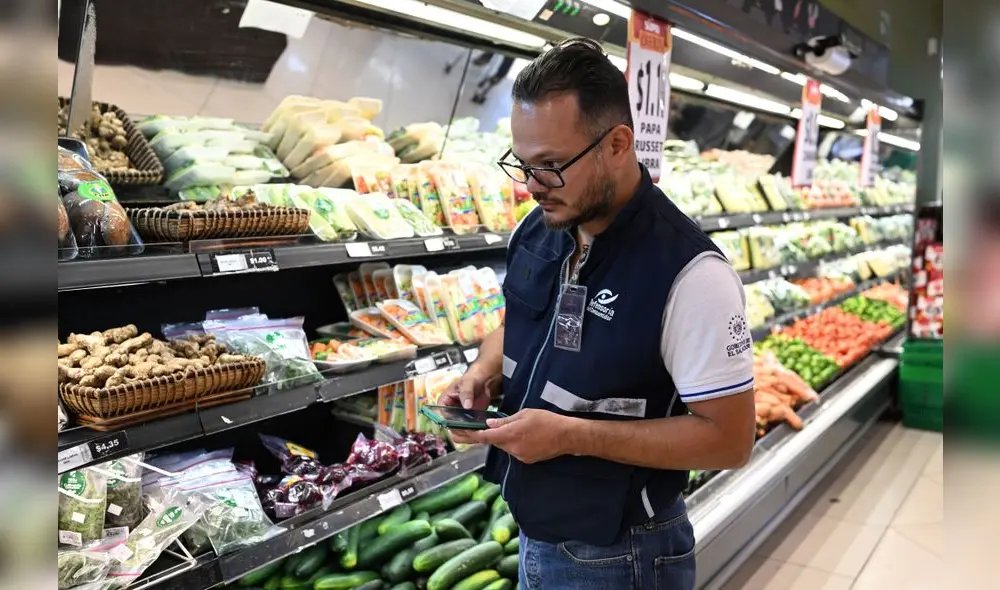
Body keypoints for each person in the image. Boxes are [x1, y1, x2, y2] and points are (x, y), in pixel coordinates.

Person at [440, 38, 756, 589]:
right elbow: (521, 320)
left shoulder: (690, 274)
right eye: (523, 163)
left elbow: (729, 440)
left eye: (552, 165)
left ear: (617, 144)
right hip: (535, 526)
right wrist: (482, 371)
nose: (532, 187)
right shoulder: (541, 229)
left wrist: (571, 436)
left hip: (622, 553)